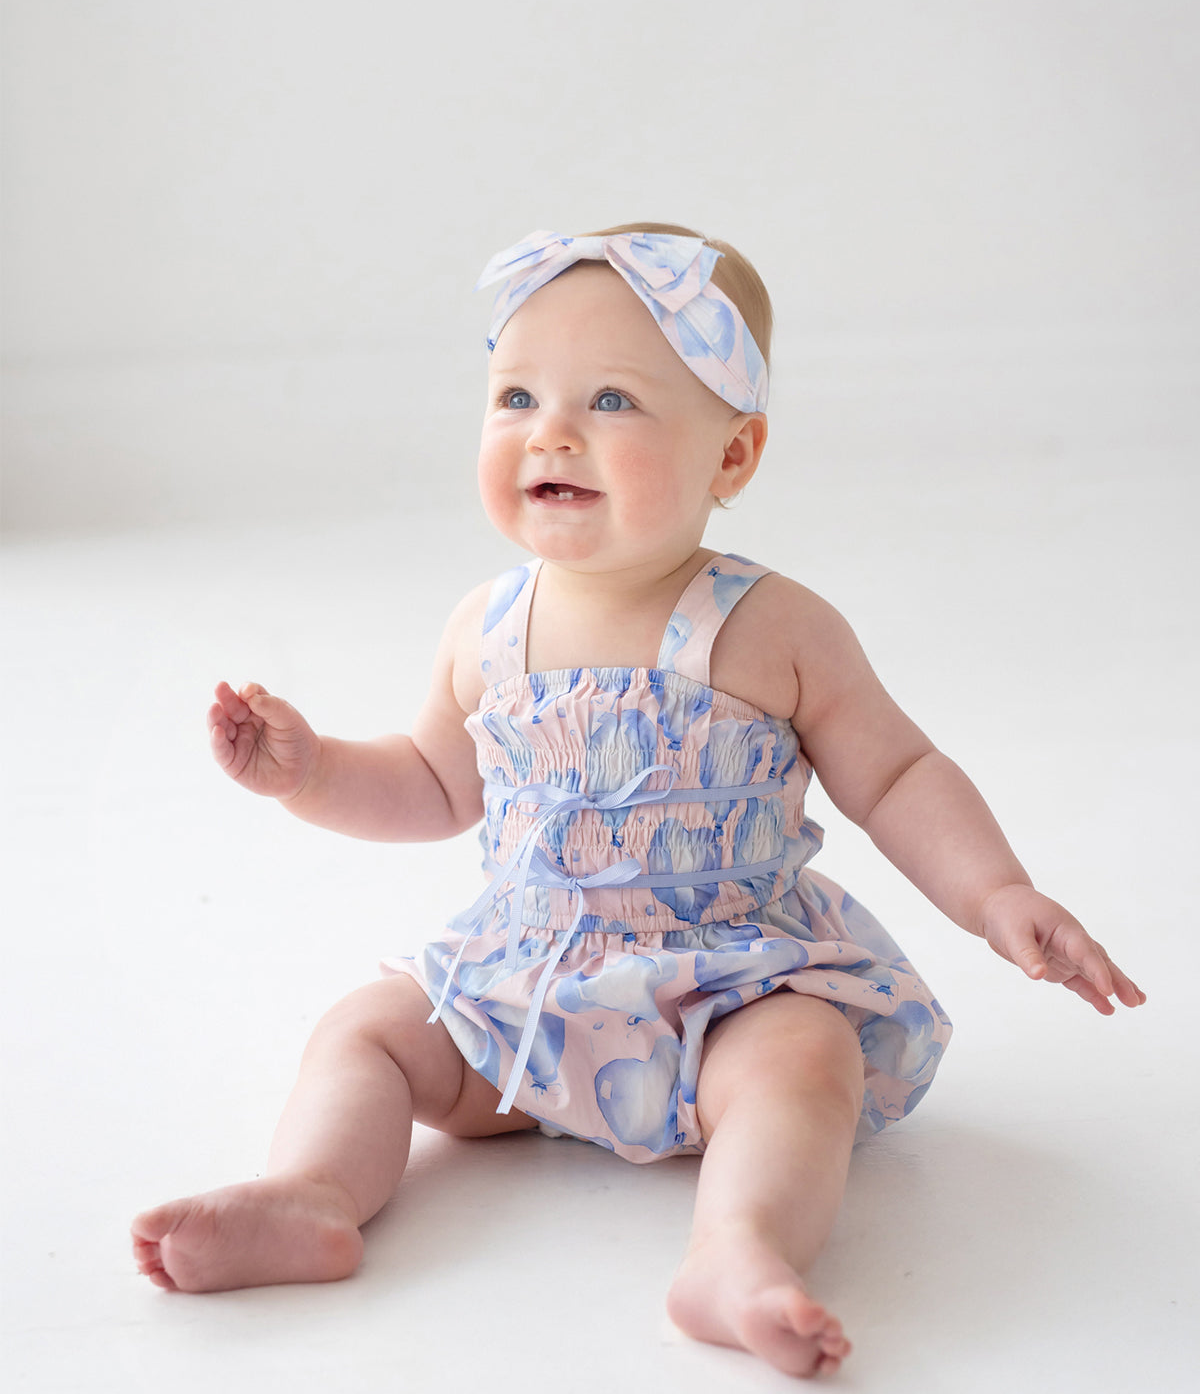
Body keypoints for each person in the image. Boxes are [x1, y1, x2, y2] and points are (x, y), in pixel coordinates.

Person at [131, 224, 1144, 1378]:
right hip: (524, 1001)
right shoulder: (488, 627)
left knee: (804, 1062)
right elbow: (428, 781)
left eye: (611, 398)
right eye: (517, 394)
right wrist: (308, 771)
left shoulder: (773, 627)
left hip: (730, 987)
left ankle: (737, 1246)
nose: (549, 430)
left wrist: (997, 890)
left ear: (734, 453)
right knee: (363, 1030)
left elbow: (898, 772)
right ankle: (313, 1191)